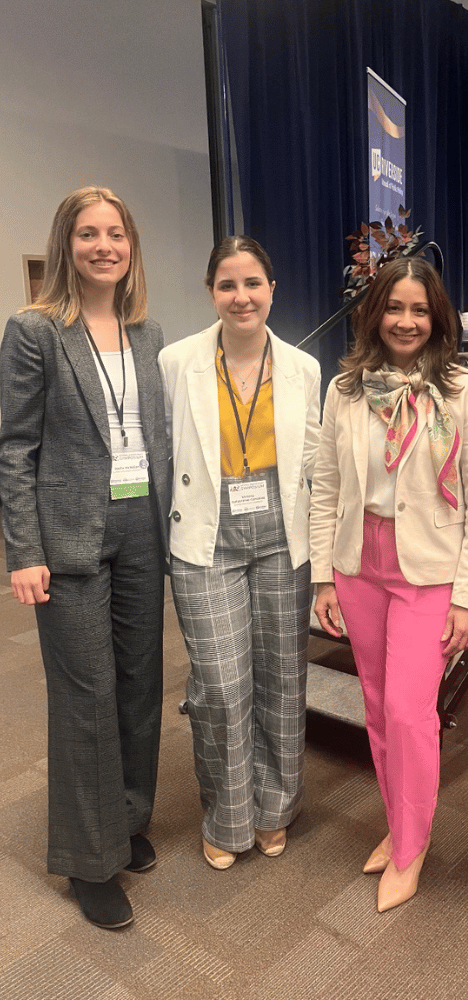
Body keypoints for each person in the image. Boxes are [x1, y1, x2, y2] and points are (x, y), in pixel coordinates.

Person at [0, 187, 171, 929]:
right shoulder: (35, 331)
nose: (104, 246)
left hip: (140, 528)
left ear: (131, 246)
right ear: (66, 245)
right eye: (88, 234)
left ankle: (126, 819)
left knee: (139, 684)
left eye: (116, 234)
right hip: (66, 534)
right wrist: (23, 550)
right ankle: (87, 859)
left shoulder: (147, 330)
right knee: (86, 695)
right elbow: (14, 447)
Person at [310, 257, 468, 911]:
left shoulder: (464, 391)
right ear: (374, 314)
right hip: (359, 564)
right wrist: (321, 579)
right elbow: (326, 488)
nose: (407, 321)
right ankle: (399, 826)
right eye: (395, 308)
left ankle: (411, 848)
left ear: (436, 316)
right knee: (376, 708)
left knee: (409, 714)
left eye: (420, 309)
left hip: (429, 572)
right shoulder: (347, 390)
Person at [159, 236, 321, 870]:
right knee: (222, 686)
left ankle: (275, 809)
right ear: (211, 292)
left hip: (284, 539)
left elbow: (314, 462)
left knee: (283, 678)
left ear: (272, 290)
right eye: (228, 285)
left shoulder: (305, 369)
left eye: (253, 283)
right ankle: (228, 815)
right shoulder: (177, 362)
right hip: (206, 539)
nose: (241, 296)